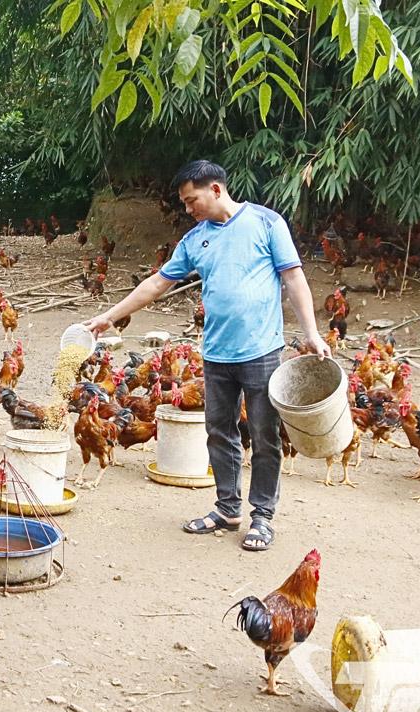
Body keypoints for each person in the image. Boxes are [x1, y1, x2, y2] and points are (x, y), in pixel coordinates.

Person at [83, 160, 329, 552]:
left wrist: (312, 334)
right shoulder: (195, 240)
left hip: (262, 351)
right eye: (184, 203)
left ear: (215, 189)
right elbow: (156, 284)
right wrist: (110, 317)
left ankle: (262, 516)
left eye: (190, 200)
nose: (188, 209)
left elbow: (294, 278)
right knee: (219, 432)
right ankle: (228, 508)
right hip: (216, 354)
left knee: (265, 436)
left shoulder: (266, 223)